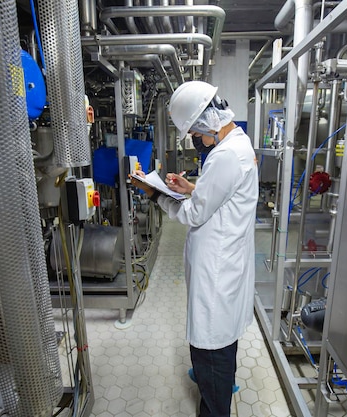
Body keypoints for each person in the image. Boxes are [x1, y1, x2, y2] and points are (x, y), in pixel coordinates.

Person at [131, 80, 258, 417]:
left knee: (211, 342)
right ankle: (213, 378)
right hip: (225, 263)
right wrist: (192, 187)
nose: (197, 140)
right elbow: (218, 195)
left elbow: (193, 213)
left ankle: (214, 398)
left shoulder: (226, 156)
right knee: (219, 338)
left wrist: (154, 193)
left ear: (207, 124)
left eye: (196, 133)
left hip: (217, 273)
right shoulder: (236, 144)